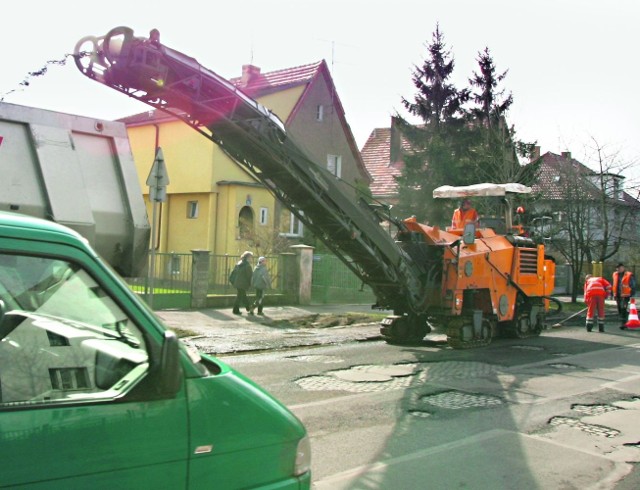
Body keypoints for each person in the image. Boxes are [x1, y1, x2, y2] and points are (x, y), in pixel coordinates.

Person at [612, 262, 636, 330]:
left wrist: (631, 293)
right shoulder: (615, 274)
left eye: (619, 268)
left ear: (623, 268)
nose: (618, 270)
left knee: (623, 308)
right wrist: (613, 294)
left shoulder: (628, 275)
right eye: (617, 269)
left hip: (625, 295)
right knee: (620, 309)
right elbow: (614, 284)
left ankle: (623, 323)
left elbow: (633, 285)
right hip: (618, 295)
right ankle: (623, 322)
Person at [231, 251, 253, 315]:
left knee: (242, 295)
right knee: (240, 296)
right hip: (243, 283)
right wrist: (251, 283)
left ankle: (248, 308)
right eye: (251, 257)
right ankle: (236, 310)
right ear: (248, 257)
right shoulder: (247, 265)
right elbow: (249, 276)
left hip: (237, 282)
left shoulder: (239, 263)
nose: (251, 258)